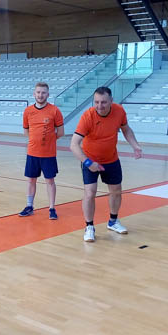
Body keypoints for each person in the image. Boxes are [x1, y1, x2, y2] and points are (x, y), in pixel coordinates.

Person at [70, 86, 142, 242]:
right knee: (90, 193)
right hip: (90, 160)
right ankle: (89, 226)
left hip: (111, 159)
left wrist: (135, 145)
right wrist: (88, 162)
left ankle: (113, 221)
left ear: (111, 101)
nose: (99, 106)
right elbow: (74, 144)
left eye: (103, 102)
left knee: (116, 191)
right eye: (96, 102)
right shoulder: (87, 116)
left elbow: (126, 129)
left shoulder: (119, 111)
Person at [19, 82, 65, 220]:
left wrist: (48, 140)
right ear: (34, 94)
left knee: (50, 181)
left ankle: (52, 208)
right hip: (32, 153)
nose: (40, 95)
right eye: (38, 92)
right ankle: (29, 206)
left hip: (48, 154)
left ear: (48, 94)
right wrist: (36, 141)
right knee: (31, 180)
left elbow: (60, 132)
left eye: (43, 92)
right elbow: (26, 131)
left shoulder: (54, 111)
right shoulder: (28, 111)